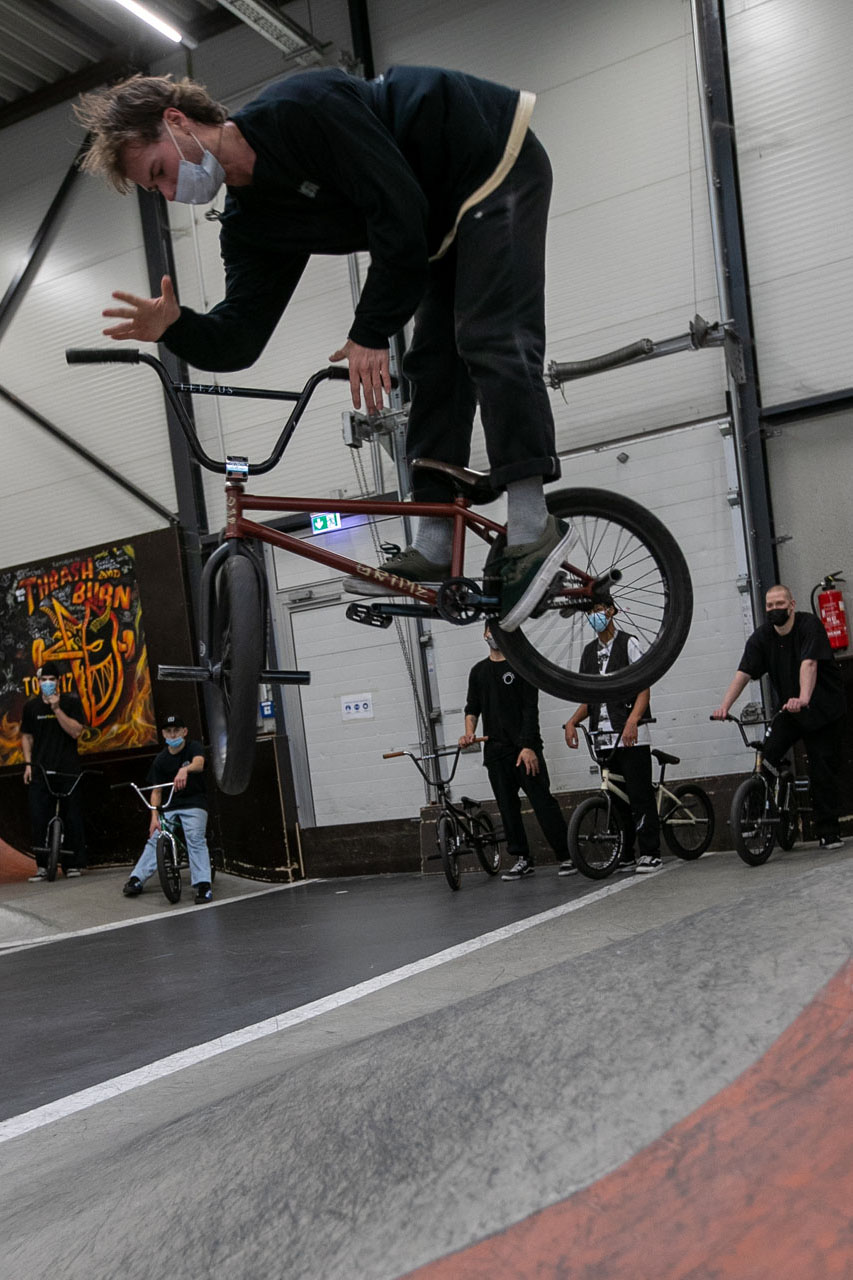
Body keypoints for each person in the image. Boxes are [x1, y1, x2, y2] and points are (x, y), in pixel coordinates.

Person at [74, 66, 572, 631]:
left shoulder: (301, 108)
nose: (170, 192)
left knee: (488, 334)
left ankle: (533, 524)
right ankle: (435, 541)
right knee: (432, 366)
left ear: (177, 120)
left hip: (487, 157)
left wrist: (369, 331)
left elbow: (396, 205)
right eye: (157, 189)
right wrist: (175, 328)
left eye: (161, 172)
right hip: (438, 223)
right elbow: (240, 336)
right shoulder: (250, 222)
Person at [712, 583, 846, 849]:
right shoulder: (761, 638)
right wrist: (725, 706)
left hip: (822, 710)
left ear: (792, 605)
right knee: (767, 757)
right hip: (790, 709)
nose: (775, 609)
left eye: (780, 604)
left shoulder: (809, 626)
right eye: (770, 606)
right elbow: (744, 673)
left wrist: (804, 698)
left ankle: (828, 830)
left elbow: (809, 664)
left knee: (821, 766)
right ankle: (753, 819)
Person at [460, 626, 569, 880]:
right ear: (484, 633)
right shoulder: (478, 672)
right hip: (496, 753)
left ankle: (567, 855)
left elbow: (531, 709)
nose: (493, 635)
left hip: (524, 750)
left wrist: (528, 746)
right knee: (507, 808)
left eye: (498, 630)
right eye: (490, 630)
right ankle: (522, 858)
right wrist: (468, 733)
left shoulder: (522, 666)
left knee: (543, 802)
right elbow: (472, 709)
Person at [563, 596, 662, 873]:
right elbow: (587, 699)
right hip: (603, 736)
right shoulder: (588, 653)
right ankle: (626, 852)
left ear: (611, 611)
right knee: (616, 798)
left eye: (598, 610)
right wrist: (572, 722)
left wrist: (633, 721)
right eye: (590, 612)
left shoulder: (628, 643)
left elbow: (644, 687)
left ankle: (651, 851)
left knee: (639, 793)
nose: (595, 616)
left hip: (631, 734)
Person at [122, 714, 213, 903]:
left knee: (194, 837)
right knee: (156, 838)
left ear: (184, 732)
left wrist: (184, 770)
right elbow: (156, 792)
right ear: (163, 734)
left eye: (176, 730)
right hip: (170, 806)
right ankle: (136, 879)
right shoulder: (161, 760)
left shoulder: (193, 747)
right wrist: (154, 817)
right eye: (169, 731)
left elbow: (199, 763)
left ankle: (203, 885)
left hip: (194, 803)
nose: (173, 735)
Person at [20, 662, 87, 880]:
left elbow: (76, 731)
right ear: (38, 683)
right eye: (43, 680)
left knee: (72, 815)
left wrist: (56, 708)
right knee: (39, 815)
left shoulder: (71, 702)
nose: (47, 683)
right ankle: (42, 865)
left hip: (67, 768)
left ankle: (72, 864)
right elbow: (26, 737)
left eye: (51, 679)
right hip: (40, 769)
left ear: (58, 682)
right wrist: (28, 765)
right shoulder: (31, 707)